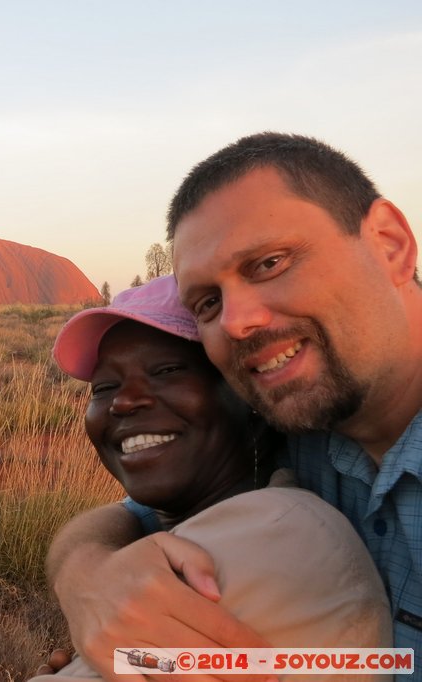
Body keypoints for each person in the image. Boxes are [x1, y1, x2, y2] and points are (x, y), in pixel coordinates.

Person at [46, 132, 422, 679]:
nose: (237, 321)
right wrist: (86, 577)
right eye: (207, 302)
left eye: (269, 263)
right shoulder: (298, 422)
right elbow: (132, 516)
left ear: (390, 243)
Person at [29, 276, 389, 681]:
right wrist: (81, 567)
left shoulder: (265, 538)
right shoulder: (214, 514)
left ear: (252, 401)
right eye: (104, 386)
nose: (124, 401)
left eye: (167, 370)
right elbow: (126, 514)